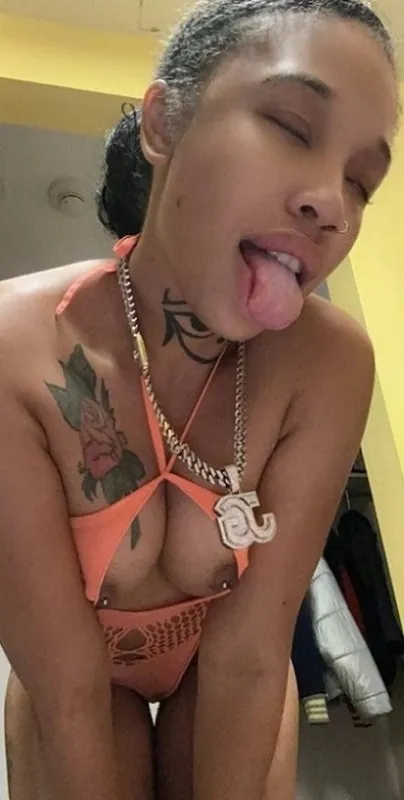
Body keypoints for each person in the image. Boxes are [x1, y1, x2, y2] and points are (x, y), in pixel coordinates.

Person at [0, 0, 398, 798]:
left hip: (226, 673)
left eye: (362, 181)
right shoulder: (16, 349)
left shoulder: (329, 364)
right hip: (74, 685)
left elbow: (249, 657)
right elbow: (68, 686)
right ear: (164, 124)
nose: (331, 202)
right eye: (290, 125)